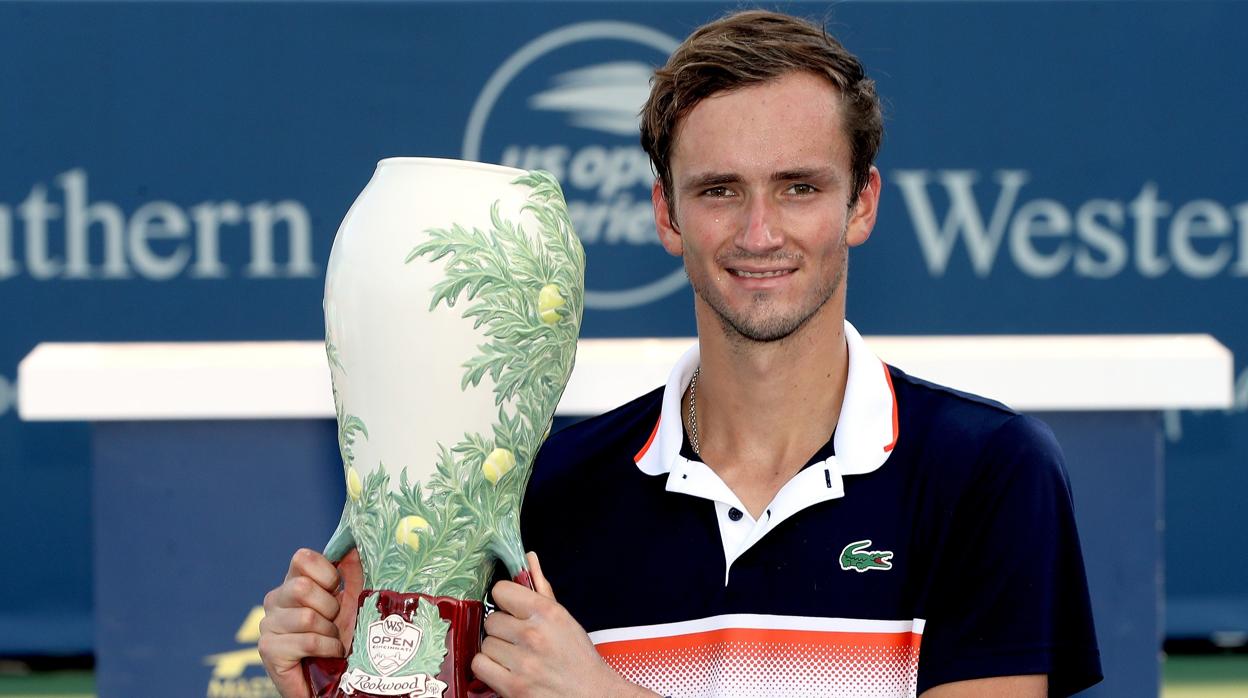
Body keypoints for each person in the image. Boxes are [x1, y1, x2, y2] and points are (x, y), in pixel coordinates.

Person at [260, 9, 1102, 697]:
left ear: (862, 204)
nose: (760, 232)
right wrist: (337, 678)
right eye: (720, 190)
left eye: (799, 188)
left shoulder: (989, 473)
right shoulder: (543, 495)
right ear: (667, 216)